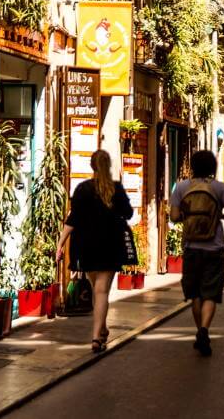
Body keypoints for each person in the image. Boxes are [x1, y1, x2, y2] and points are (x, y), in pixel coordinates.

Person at [56, 150, 133, 353]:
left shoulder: (82, 189)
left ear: (92, 166)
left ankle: (100, 331)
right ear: (108, 166)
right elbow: (129, 213)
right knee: (102, 292)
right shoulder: (116, 189)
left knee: (95, 290)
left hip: (86, 247)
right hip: (110, 246)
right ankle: (97, 336)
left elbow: (72, 220)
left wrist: (60, 244)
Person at [169, 150, 224, 356]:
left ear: (193, 166)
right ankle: (205, 330)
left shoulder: (181, 187)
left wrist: (187, 217)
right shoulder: (219, 187)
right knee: (211, 293)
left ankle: (200, 330)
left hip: (191, 248)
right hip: (214, 248)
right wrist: (219, 216)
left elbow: (173, 216)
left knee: (195, 294)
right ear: (212, 168)